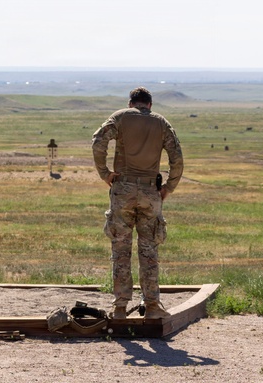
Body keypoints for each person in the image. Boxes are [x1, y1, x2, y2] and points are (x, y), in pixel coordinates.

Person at [91, 87, 183, 320]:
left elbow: (98, 142)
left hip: (123, 190)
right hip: (151, 192)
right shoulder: (161, 123)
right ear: (149, 105)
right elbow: (177, 158)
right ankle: (151, 306)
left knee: (121, 250)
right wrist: (168, 187)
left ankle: (120, 307)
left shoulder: (120, 117)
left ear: (131, 103)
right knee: (149, 251)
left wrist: (105, 173)